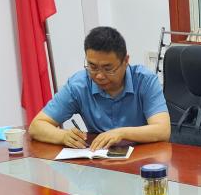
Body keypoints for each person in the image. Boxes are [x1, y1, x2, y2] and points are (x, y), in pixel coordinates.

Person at [28, 25, 170, 150]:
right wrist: (63, 136)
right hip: (99, 161)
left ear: (126, 61)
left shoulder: (145, 81)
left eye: (108, 69)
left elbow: (163, 130)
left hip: (143, 159)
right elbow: (36, 126)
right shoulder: (79, 85)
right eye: (93, 67)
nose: (99, 76)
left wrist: (121, 133)